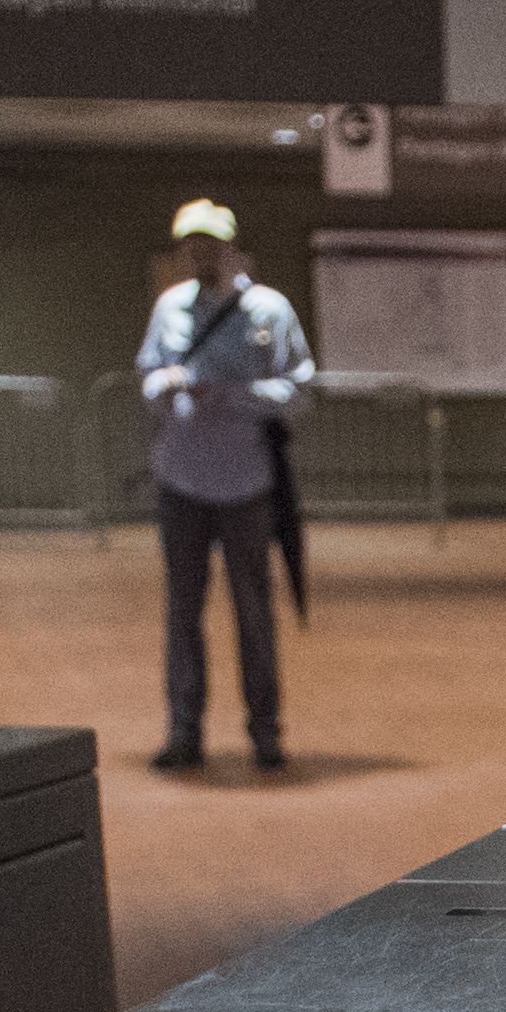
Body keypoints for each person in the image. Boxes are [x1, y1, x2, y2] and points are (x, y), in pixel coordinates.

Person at [137, 197, 310, 773]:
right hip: (181, 479)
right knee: (182, 611)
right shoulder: (169, 307)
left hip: (245, 482)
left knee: (253, 612)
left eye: (208, 241)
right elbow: (146, 373)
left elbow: (299, 390)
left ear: (229, 246)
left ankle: (265, 731)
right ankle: (183, 731)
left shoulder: (269, 310)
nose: (198, 251)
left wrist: (234, 396)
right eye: (189, 242)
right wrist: (164, 383)